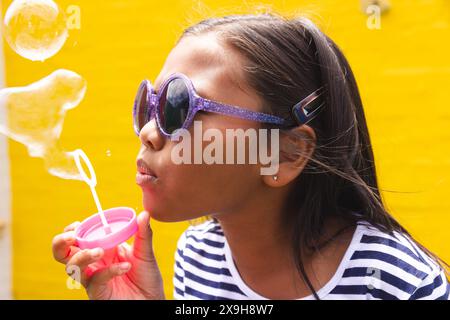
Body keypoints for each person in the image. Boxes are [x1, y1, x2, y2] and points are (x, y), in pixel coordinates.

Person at [52, 13, 449, 300]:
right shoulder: (198, 256)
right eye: (148, 107)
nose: (149, 133)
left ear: (283, 154)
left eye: (177, 106)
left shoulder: (395, 282)